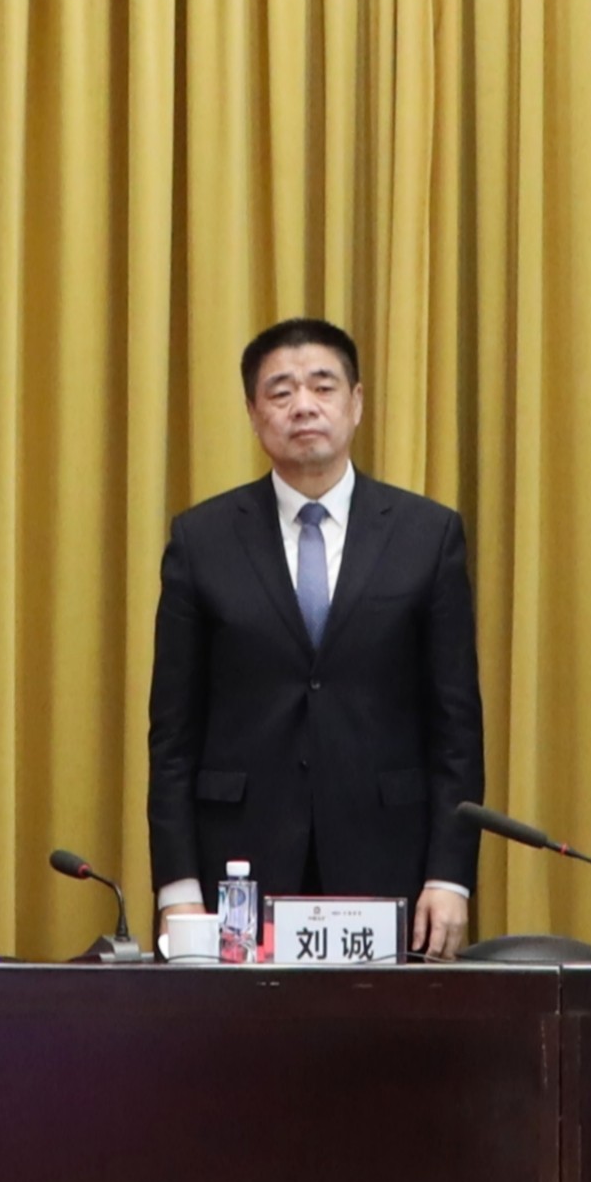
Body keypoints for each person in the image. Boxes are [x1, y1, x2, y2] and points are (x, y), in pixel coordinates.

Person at [144, 319, 487, 957]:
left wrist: (450, 875)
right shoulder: (202, 539)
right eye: (280, 392)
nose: (303, 405)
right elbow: (173, 734)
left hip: (388, 856)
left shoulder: (426, 535)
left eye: (323, 386)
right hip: (239, 863)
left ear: (356, 403)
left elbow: (456, 727)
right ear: (253, 414)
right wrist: (178, 887)